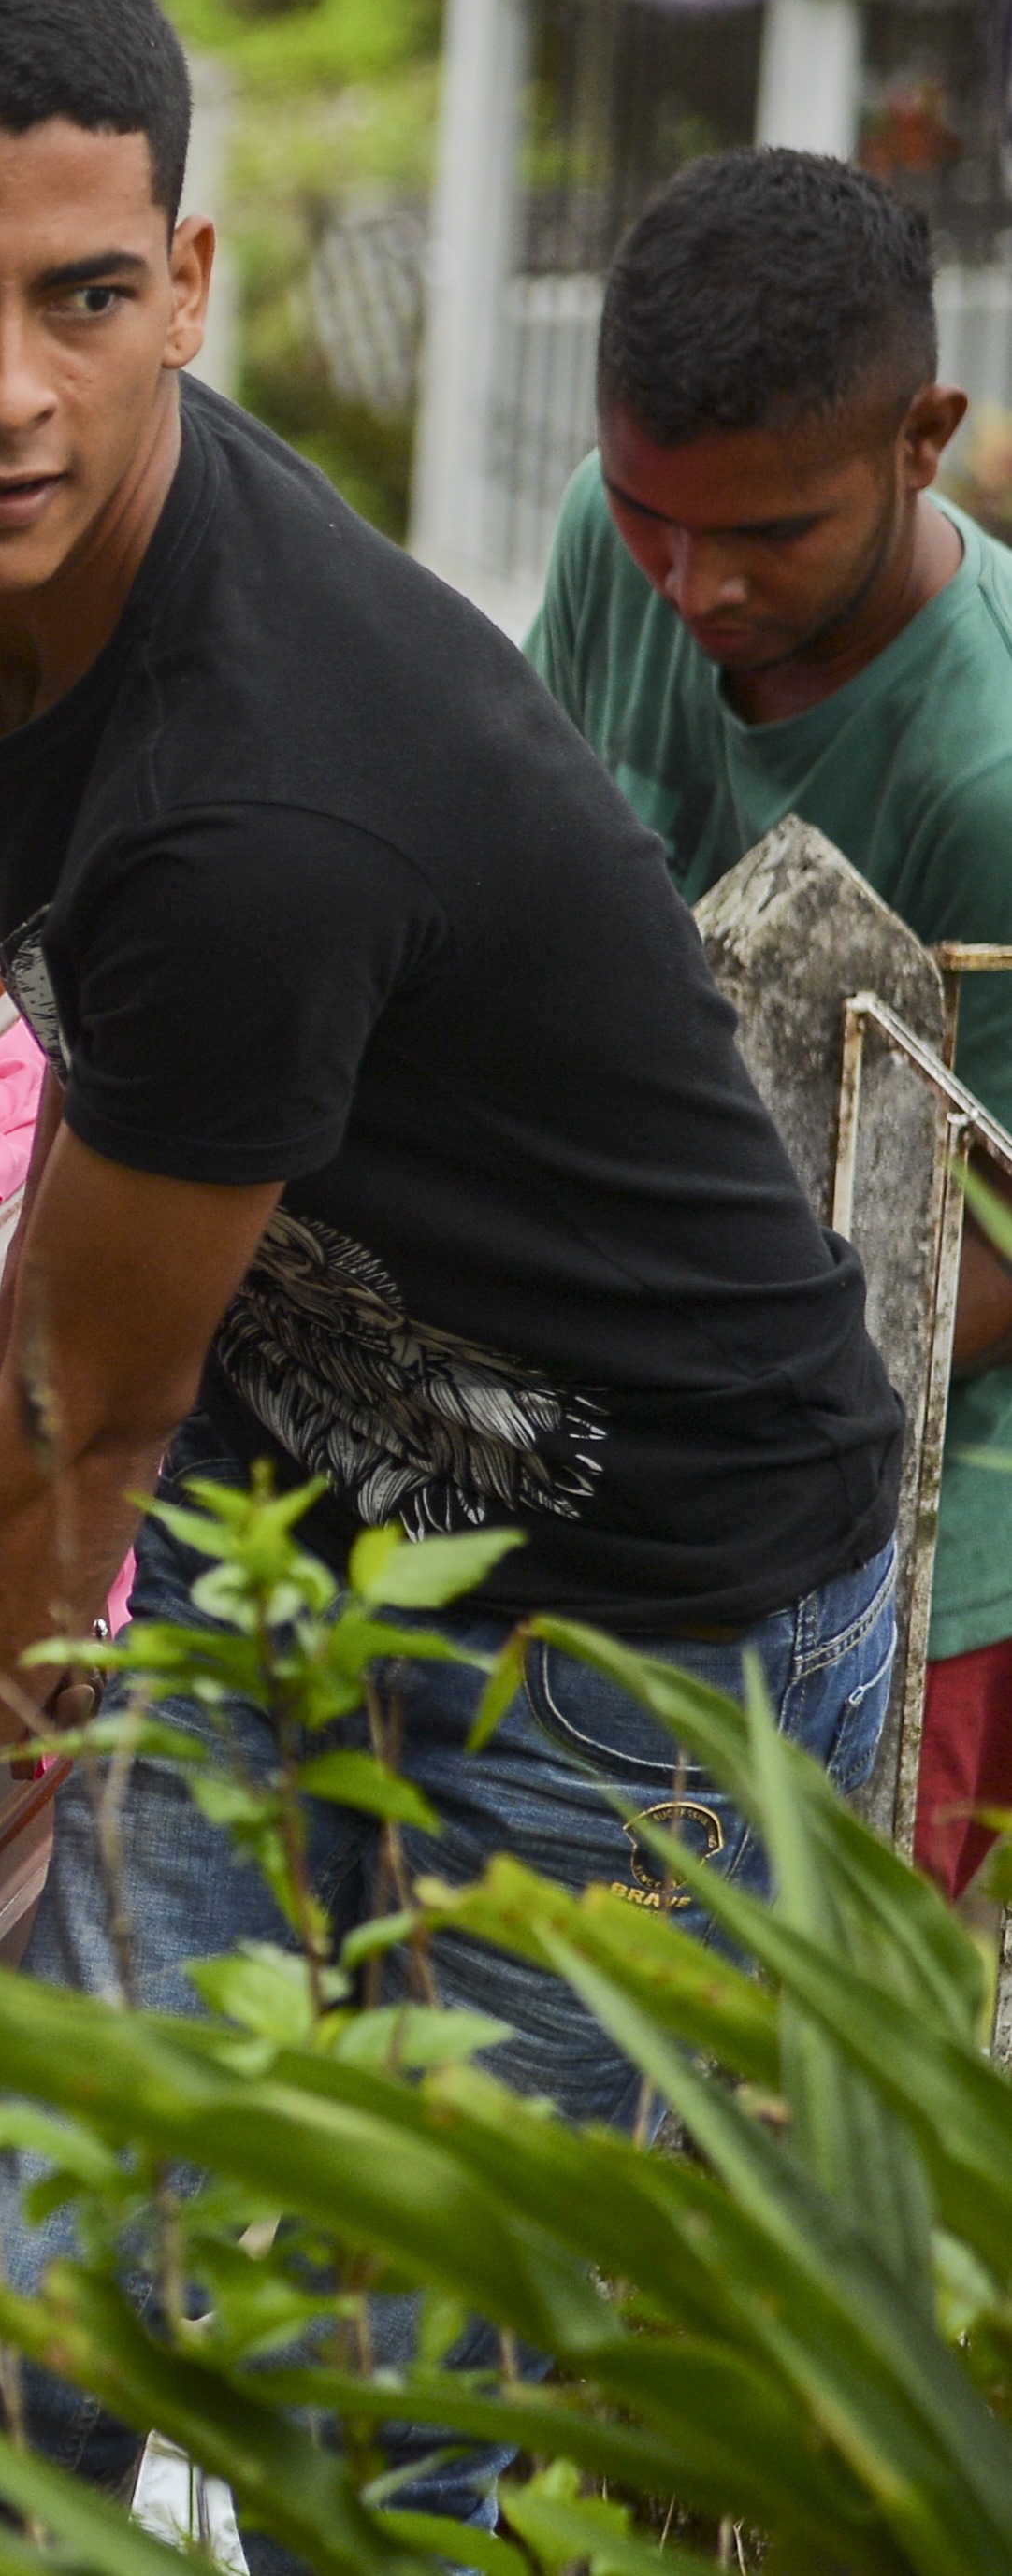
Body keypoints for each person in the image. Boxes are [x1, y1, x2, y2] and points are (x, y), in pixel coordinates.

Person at [0, 0, 906, 2547]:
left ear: (190, 285)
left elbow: (75, 1439)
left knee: (396, 2435)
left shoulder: (255, 799)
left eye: (82, 299)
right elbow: (111, 1168)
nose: (4, 391)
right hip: (300, 1532)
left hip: (637, 1636)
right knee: (31, 2287)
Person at [521, 146, 1012, 1894]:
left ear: (919, 437)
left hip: (915, 1539)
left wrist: (664, 1388)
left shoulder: (982, 775)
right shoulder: (614, 545)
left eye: (767, 535)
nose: (693, 585)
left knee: (810, 2026)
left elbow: (985, 1257)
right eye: (648, 516)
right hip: (620, 1471)